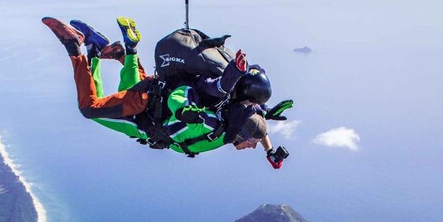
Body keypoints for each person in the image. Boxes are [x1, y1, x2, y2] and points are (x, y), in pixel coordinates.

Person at [41, 16, 290, 167]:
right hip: (145, 118)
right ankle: (75, 46)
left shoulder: (240, 108)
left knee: (127, 88)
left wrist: (270, 150)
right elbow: (178, 103)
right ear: (240, 133)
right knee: (89, 108)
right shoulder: (215, 125)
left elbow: (257, 123)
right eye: (252, 143)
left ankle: (117, 50)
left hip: (153, 93)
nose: (252, 147)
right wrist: (185, 111)